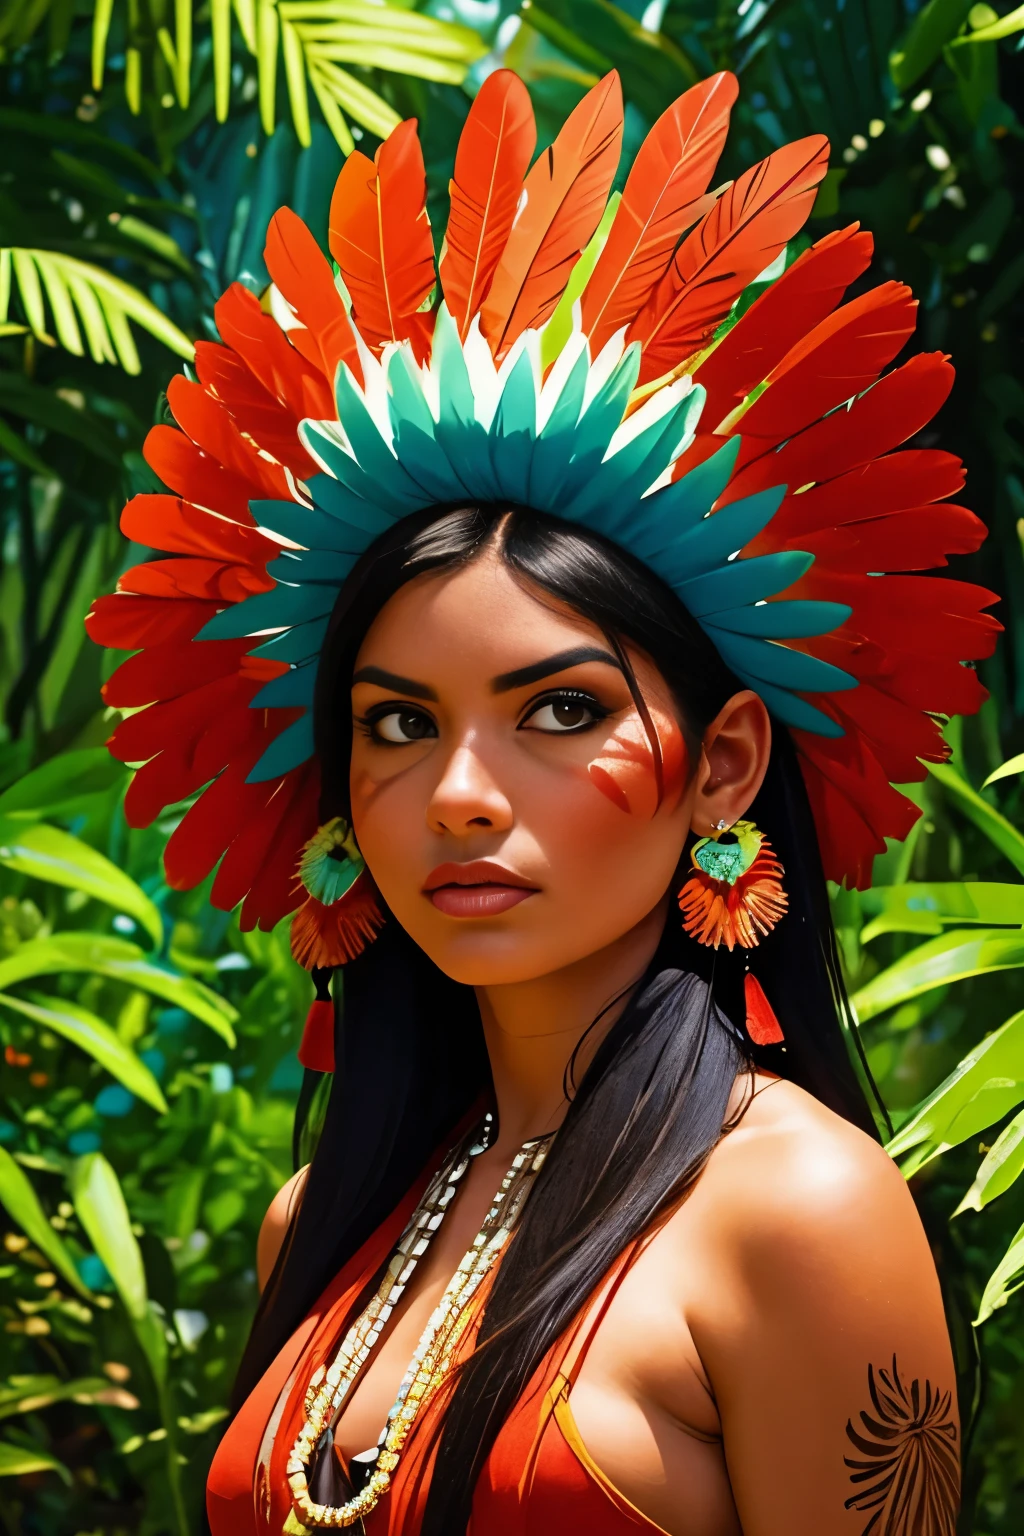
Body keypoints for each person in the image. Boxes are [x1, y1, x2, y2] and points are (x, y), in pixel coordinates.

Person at [87, 65, 996, 1536]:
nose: (457, 796)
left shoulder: (796, 1214)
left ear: (725, 763)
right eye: (398, 724)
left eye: (559, 712)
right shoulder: (311, 1227)